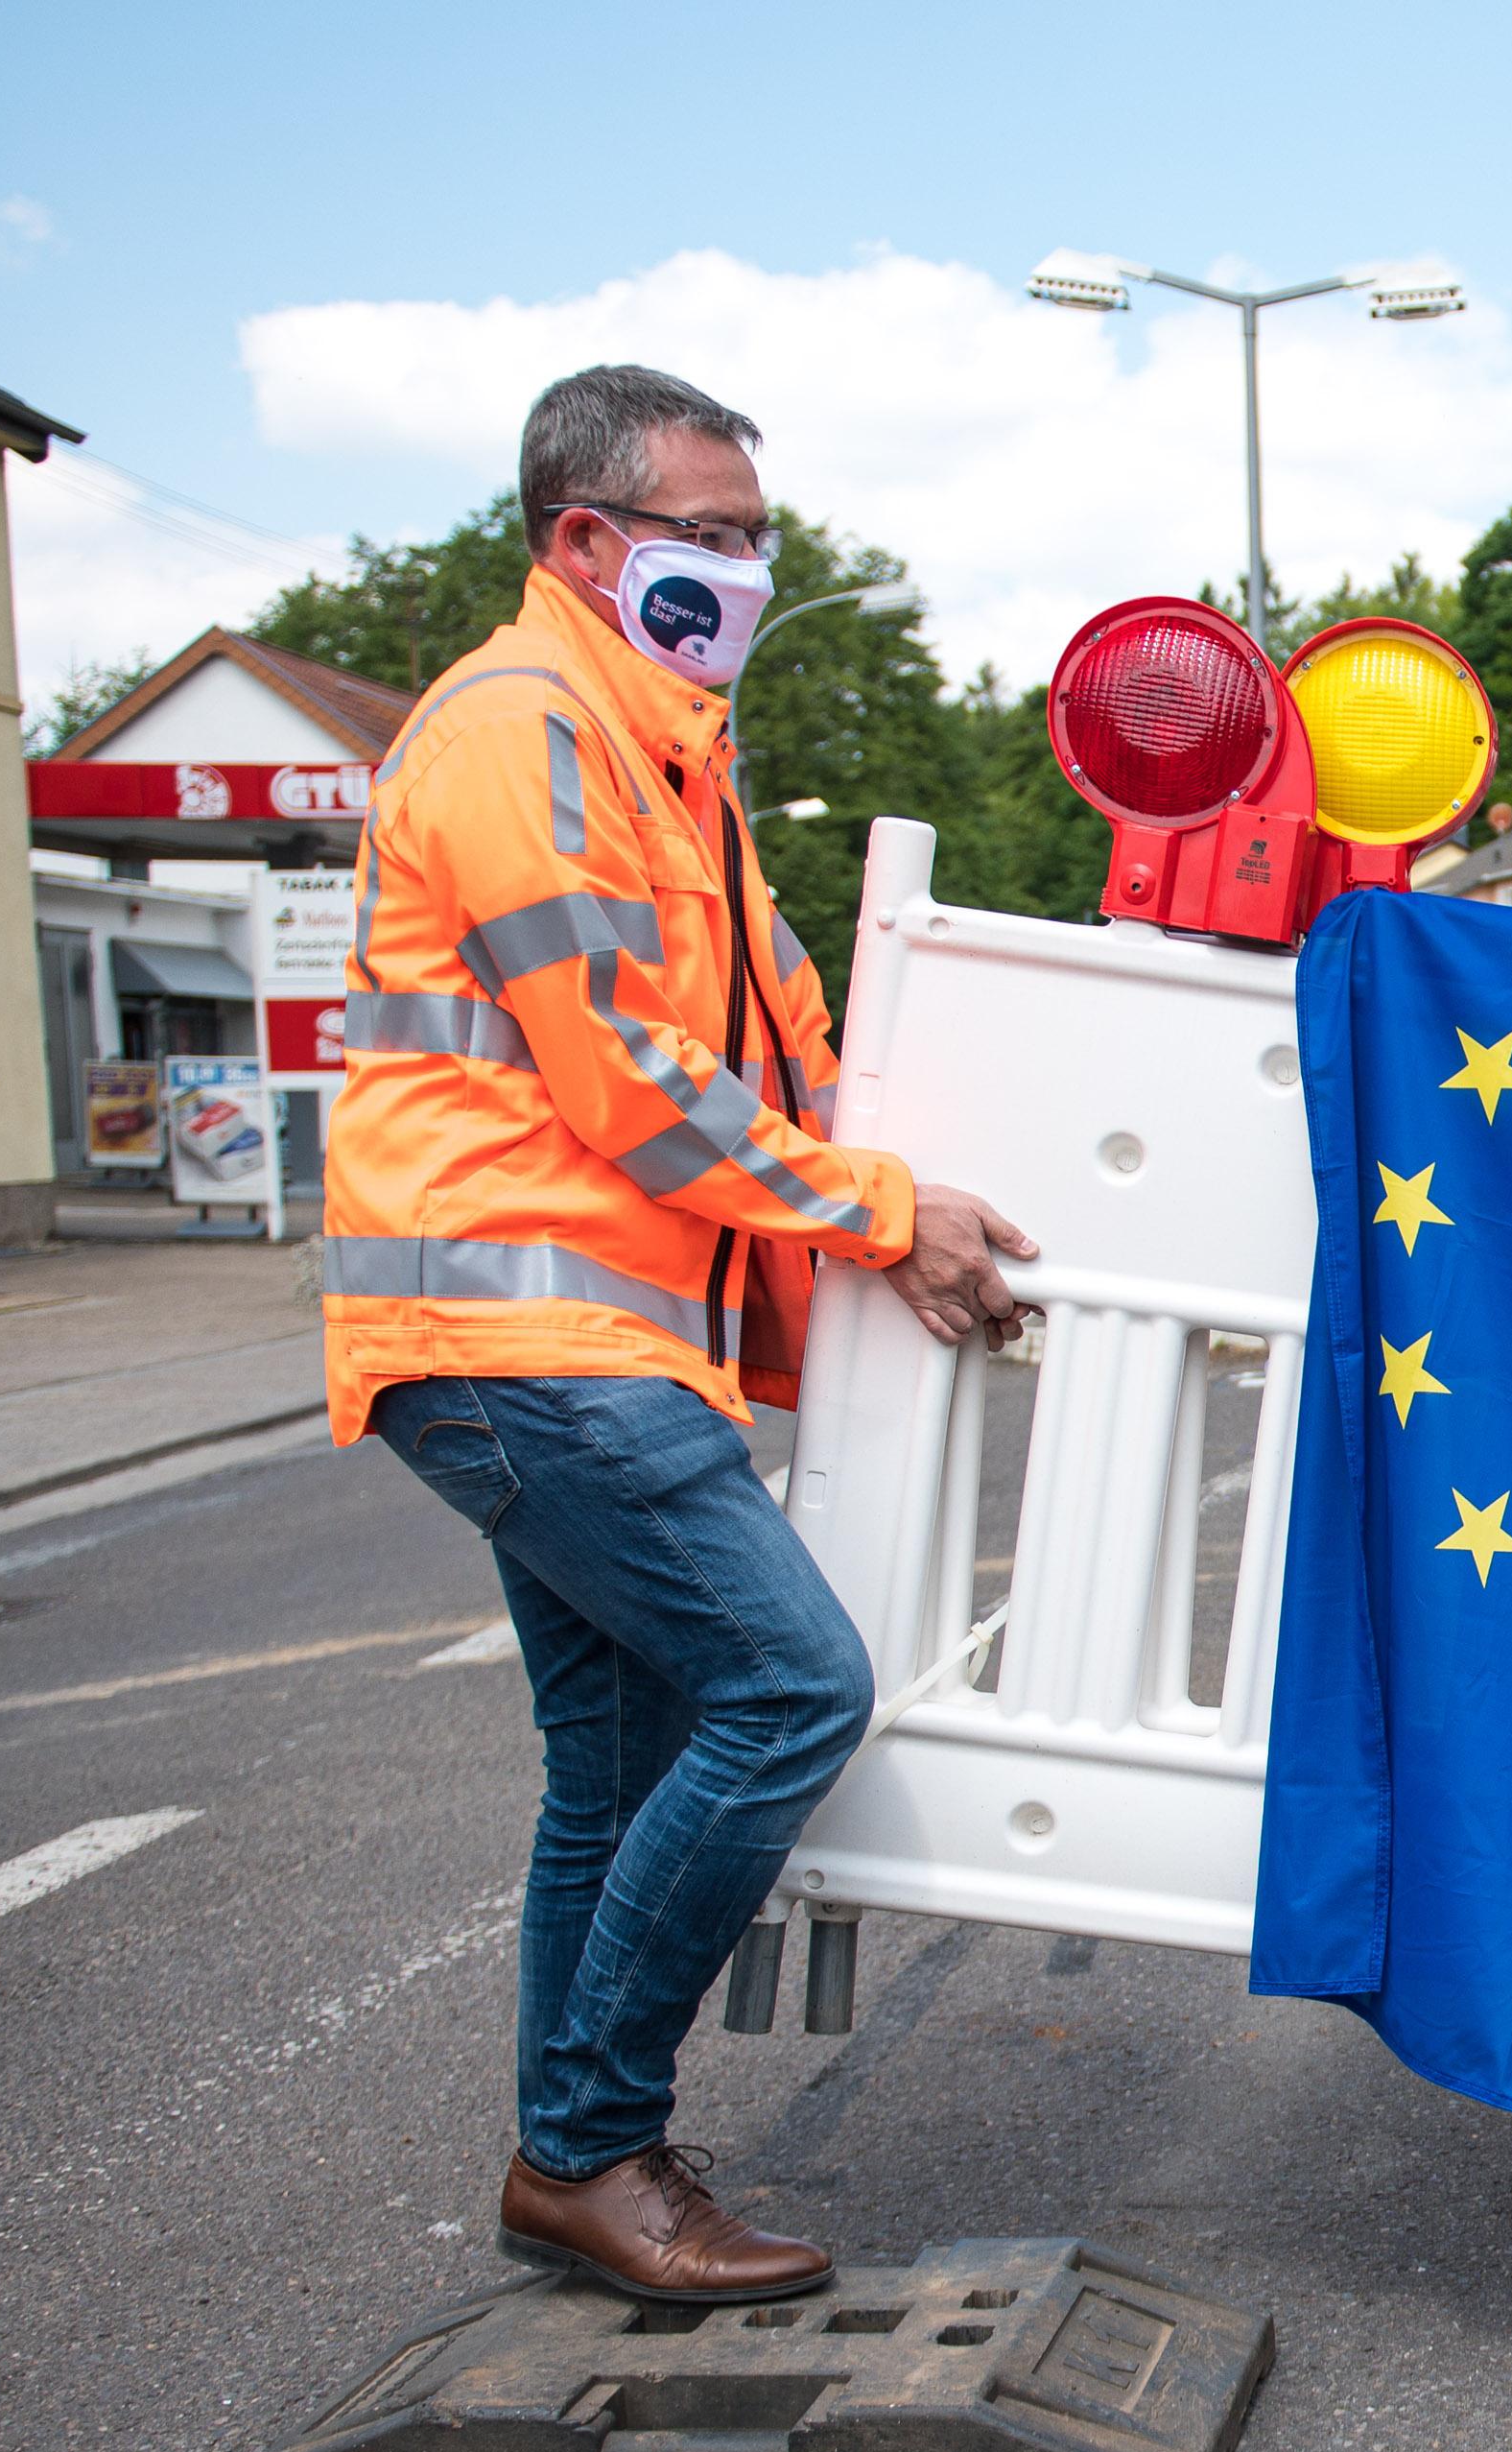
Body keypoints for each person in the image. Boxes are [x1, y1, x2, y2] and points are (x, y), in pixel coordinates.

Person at [321, 365, 1041, 2304]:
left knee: (622, 1762)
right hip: (518, 1324)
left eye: (757, 539)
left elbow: (790, 1038)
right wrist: (879, 1213)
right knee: (790, 1689)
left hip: (564, 1330)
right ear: (585, 538)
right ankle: (585, 2146)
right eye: (710, 537)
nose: (747, 572)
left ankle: (576, 2163)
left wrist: (925, 1177)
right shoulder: (526, 727)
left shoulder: (664, 756)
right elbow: (626, 1075)